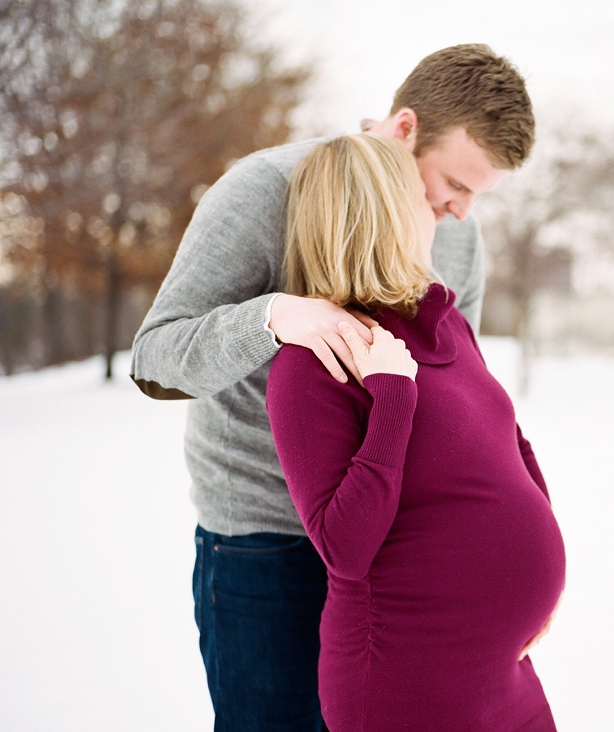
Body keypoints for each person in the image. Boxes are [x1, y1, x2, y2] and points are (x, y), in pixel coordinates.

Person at [130, 45, 538, 732]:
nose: (462, 213)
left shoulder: (460, 241)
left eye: (478, 195)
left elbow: (457, 396)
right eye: (453, 184)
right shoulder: (264, 192)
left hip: (397, 550)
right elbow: (155, 359)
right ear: (405, 128)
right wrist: (274, 316)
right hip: (268, 542)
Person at [267, 132, 564, 732]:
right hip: (410, 679)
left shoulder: (448, 322)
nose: (444, 216)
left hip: (503, 668)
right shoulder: (312, 366)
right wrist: (393, 399)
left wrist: (539, 582)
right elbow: (343, 548)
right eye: (420, 202)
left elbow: (512, 444)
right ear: (378, 218)